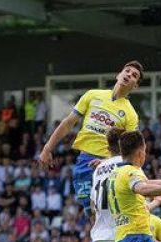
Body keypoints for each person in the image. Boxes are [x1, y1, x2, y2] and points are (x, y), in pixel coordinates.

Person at [39, 61, 143, 215]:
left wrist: (108, 162)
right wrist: (47, 148)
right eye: (127, 71)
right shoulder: (92, 95)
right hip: (84, 162)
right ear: (118, 75)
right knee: (91, 213)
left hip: (108, 165)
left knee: (107, 213)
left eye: (134, 75)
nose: (129, 75)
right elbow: (68, 123)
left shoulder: (131, 114)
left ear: (135, 86)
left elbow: (131, 151)